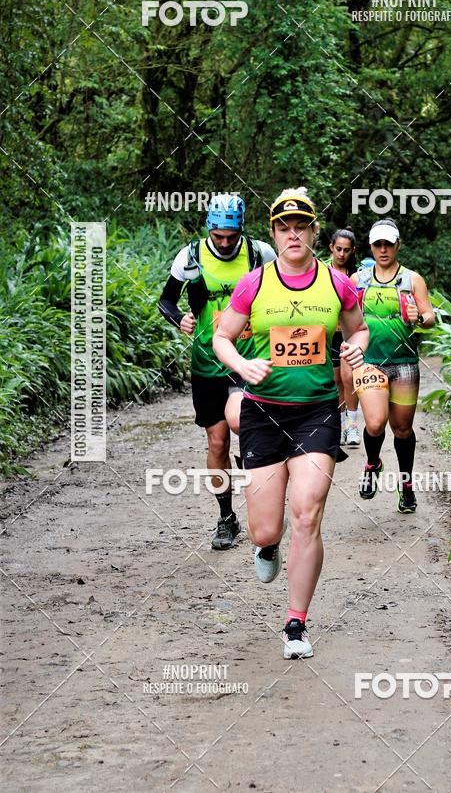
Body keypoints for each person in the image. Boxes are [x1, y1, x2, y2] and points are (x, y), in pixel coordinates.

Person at [213, 188, 368, 658]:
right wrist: (242, 365)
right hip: (262, 412)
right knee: (264, 530)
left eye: (301, 226)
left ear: (315, 233)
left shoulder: (337, 284)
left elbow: (358, 327)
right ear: (274, 234)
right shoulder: (253, 284)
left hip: (316, 413)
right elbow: (222, 338)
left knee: (306, 513)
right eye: (284, 227)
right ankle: (267, 546)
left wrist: (356, 348)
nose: (293, 234)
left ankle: (295, 624)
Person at [158, 193, 275, 550]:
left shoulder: (259, 254)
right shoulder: (191, 256)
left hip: (248, 359)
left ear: (242, 229)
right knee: (218, 441)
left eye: (231, 236)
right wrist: (180, 319)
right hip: (207, 363)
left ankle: (264, 509)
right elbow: (166, 300)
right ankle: (227, 518)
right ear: (209, 227)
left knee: (247, 430)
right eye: (218, 236)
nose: (224, 243)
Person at [351, 218, 435, 512]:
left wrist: (418, 317)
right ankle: (372, 463)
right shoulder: (358, 279)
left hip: (404, 362)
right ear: (371, 247)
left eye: (388, 244)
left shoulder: (413, 279)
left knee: (402, 429)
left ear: (398, 245)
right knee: (375, 424)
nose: (383, 249)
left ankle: (406, 485)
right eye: (378, 244)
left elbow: (430, 318)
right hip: (369, 362)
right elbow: (344, 316)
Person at [326, 229, 360, 446]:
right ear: (331, 247)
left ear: (352, 251)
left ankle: (353, 425)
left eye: (346, 250)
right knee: (336, 380)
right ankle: (340, 425)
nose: (341, 254)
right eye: (338, 249)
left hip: (350, 334)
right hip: (330, 335)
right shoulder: (322, 272)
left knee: (350, 378)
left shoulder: (357, 275)